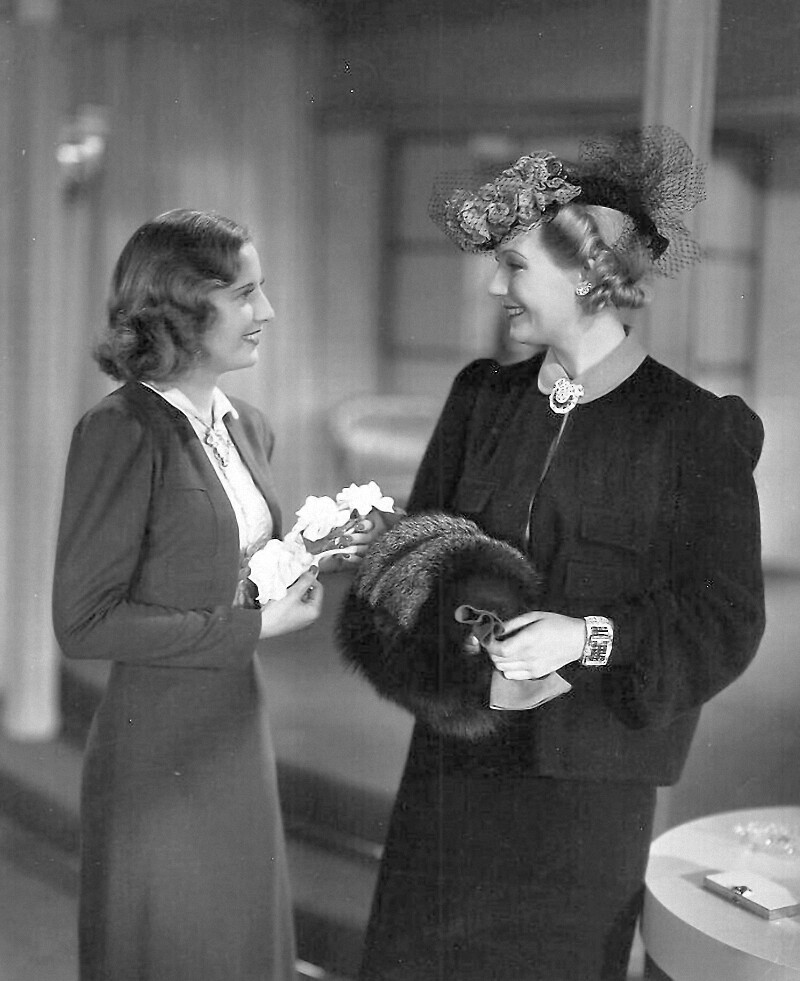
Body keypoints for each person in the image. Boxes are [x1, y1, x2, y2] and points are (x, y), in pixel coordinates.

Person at [357, 129, 766, 980]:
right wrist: (400, 575)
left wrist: (586, 636)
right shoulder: (481, 398)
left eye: (512, 265)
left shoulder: (695, 429)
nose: (494, 285)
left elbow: (725, 618)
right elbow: (411, 561)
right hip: (452, 774)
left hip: (584, 800)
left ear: (585, 275)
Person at [52, 209, 370, 980]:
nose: (268, 311)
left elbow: (215, 563)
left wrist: (312, 555)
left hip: (236, 725)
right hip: (156, 742)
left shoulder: (248, 426)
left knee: (236, 945)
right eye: (245, 293)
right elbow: (84, 622)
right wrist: (247, 627)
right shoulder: (121, 429)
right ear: (183, 307)